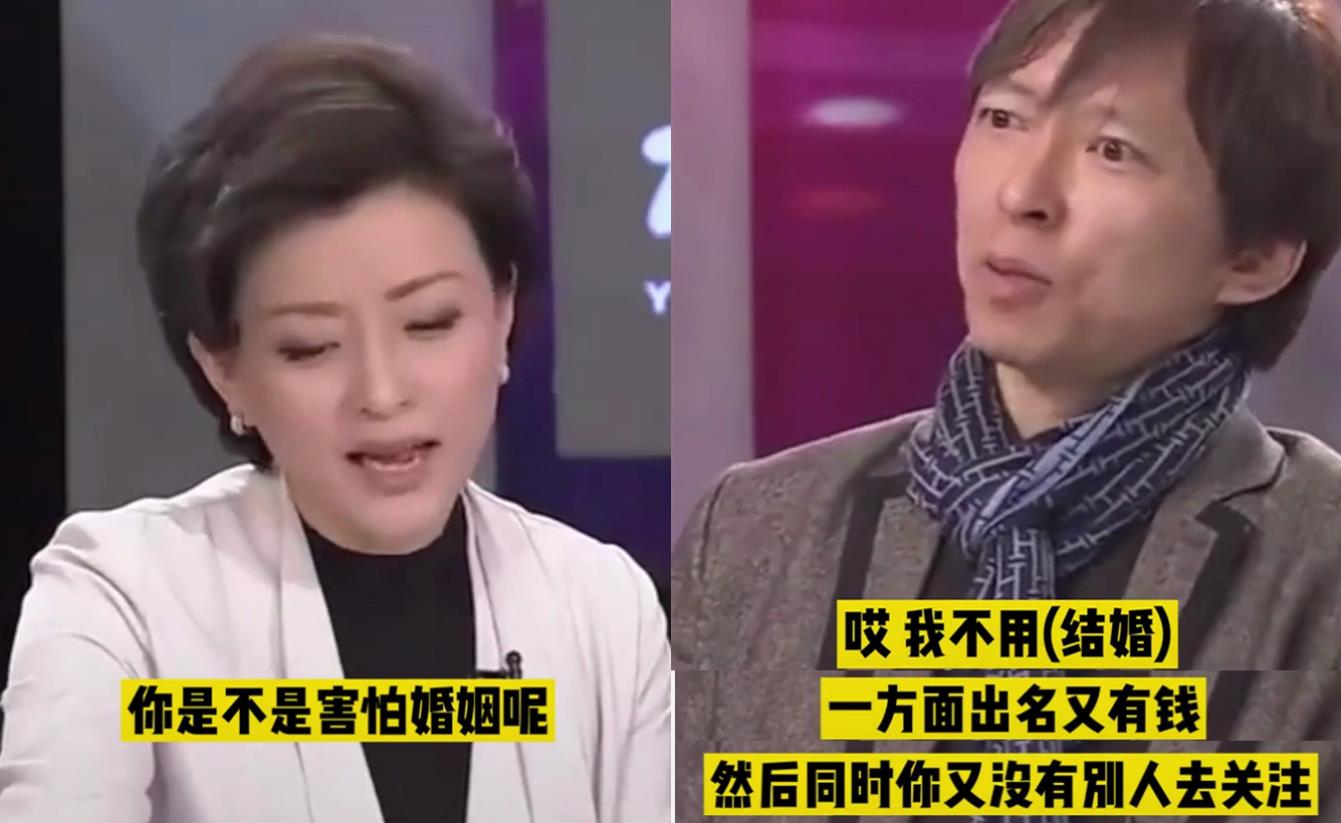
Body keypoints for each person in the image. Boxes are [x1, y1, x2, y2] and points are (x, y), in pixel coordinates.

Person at [674, 0, 1341, 819]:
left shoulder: (1315, 562)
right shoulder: (755, 528)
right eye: (1003, 117)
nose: (1023, 191)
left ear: (1253, 258)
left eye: (1112, 149)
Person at [0, 34, 669, 823]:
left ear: (502, 313)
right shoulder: (120, 598)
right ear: (223, 367)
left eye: (429, 322)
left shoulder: (601, 606)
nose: (381, 393)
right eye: (311, 346)